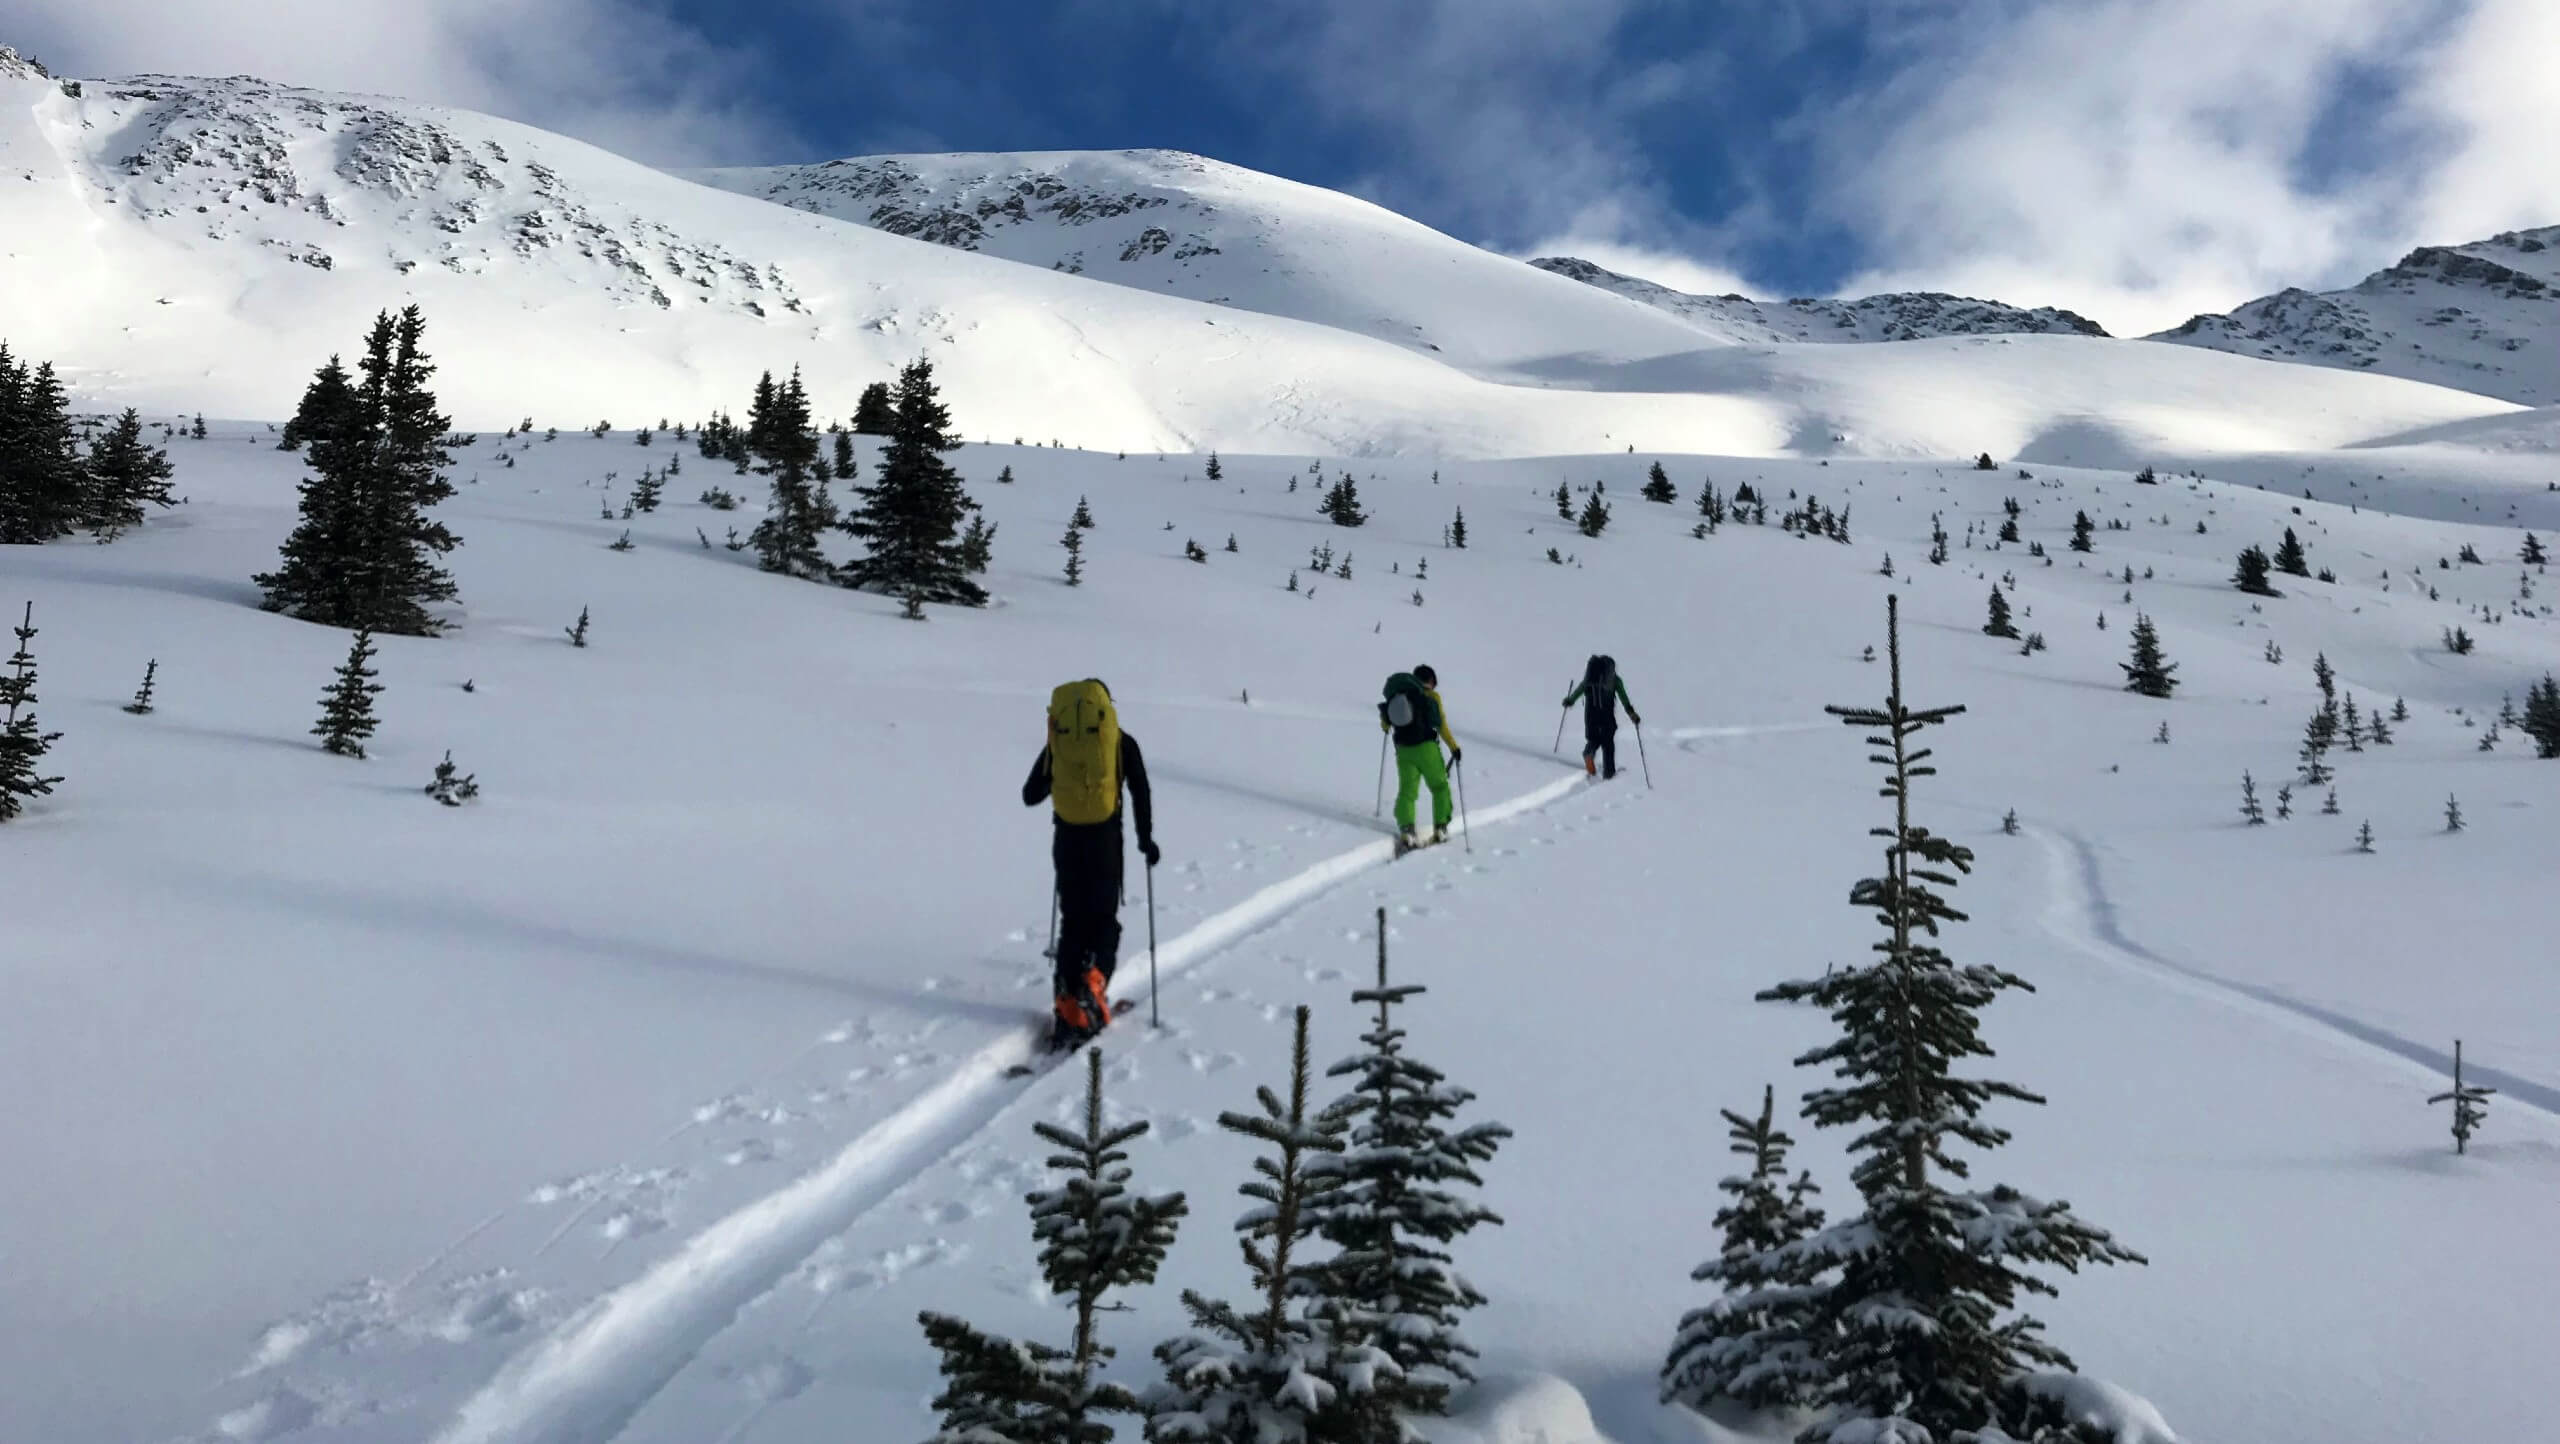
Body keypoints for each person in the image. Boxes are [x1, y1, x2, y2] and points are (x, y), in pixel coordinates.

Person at [1024, 679, 1159, 1046]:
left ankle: (1068, 1003)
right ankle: (1095, 985)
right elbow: (1140, 790)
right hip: (1104, 842)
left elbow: (1030, 794)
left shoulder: (1062, 741)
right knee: (1103, 922)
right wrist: (1146, 839)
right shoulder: (1120, 741)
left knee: (1073, 923)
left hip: (1067, 841)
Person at [1379, 664, 1461, 850]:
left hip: (1403, 750)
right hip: (1426, 748)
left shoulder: (1398, 696)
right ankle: (1440, 828)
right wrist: (1454, 747)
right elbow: (1441, 725)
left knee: (1407, 791)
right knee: (1439, 787)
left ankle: (1407, 830)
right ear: (1431, 681)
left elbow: (1385, 725)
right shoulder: (1431, 697)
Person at [1562, 654, 1640, 779]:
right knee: (1608, 743)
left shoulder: (1590, 679)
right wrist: (1632, 714)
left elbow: (1579, 691)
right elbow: (1623, 698)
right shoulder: (1615, 680)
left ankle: (1589, 752)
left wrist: (1569, 701)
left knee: (1593, 738)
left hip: (1590, 714)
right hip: (1606, 715)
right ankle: (1609, 773)